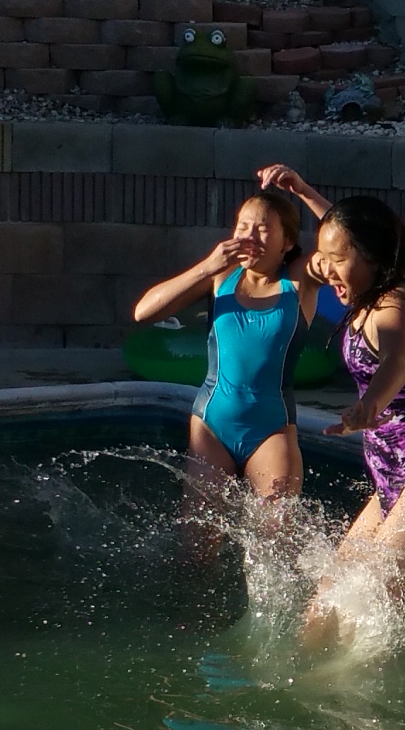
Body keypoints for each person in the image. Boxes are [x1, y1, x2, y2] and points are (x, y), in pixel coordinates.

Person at [255, 168, 405, 647]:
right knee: (321, 622)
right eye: (324, 259)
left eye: (337, 261)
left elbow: (396, 362)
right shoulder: (374, 284)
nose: (325, 269)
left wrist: (368, 405)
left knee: (365, 636)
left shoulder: (399, 301)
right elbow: (347, 235)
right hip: (391, 485)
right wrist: (304, 192)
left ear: (373, 257)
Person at [131, 186, 314, 501]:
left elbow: (346, 241)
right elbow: (143, 312)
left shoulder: (300, 280)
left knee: (278, 531)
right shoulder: (221, 276)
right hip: (211, 424)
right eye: (243, 227)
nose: (249, 236)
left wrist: (303, 190)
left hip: (272, 427)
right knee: (198, 533)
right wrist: (207, 266)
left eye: (262, 229)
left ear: (287, 242)